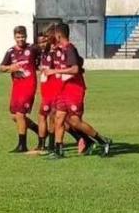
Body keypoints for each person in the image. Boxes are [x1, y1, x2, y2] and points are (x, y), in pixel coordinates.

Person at [43, 23, 112, 159]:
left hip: (75, 90)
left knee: (75, 121)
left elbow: (75, 69)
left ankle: (103, 141)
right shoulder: (59, 50)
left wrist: (55, 71)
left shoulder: (70, 49)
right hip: (63, 89)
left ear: (58, 35)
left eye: (53, 35)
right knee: (59, 118)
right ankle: (58, 150)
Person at [0, 26, 40, 153]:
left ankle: (22, 145)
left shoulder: (32, 48)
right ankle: (39, 130)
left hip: (29, 85)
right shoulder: (11, 51)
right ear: (14, 37)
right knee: (14, 116)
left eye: (22, 37)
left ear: (26, 36)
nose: (20, 39)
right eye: (18, 37)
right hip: (17, 86)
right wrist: (11, 67)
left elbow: (46, 54)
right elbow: (1, 67)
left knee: (20, 114)